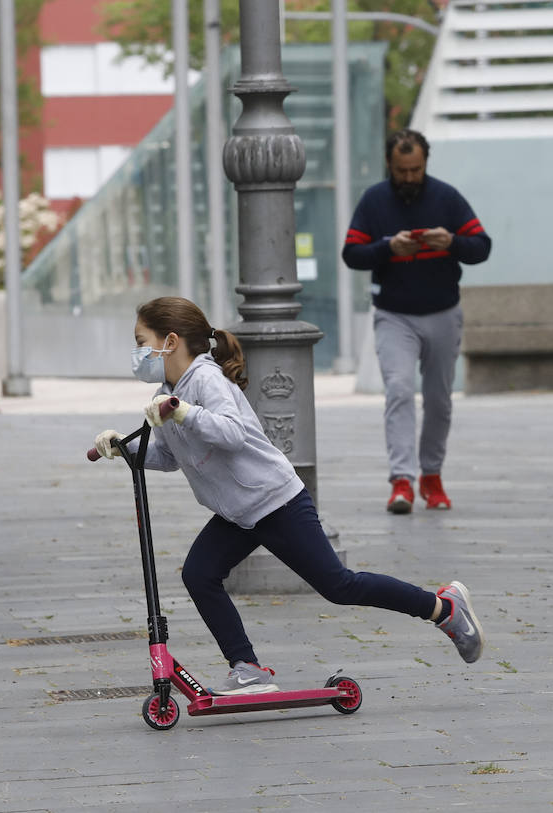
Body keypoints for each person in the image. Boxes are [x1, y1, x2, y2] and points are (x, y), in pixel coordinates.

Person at [91, 297, 485, 694]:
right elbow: (171, 455)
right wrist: (124, 450)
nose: (138, 353)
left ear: (170, 341)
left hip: (275, 500)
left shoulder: (206, 380)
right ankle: (247, 668)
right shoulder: (168, 391)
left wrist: (181, 412)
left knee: (340, 587)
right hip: (238, 512)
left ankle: (444, 608)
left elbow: (231, 433)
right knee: (200, 573)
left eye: (142, 341)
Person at [342, 129, 491, 513]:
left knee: (440, 400)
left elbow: (481, 247)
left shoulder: (447, 197)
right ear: (389, 166)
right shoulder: (375, 200)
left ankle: (432, 476)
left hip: (443, 312)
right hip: (395, 315)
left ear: (426, 163)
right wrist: (388, 247)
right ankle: (402, 481)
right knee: (400, 390)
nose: (409, 177)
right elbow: (352, 254)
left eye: (416, 169)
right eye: (401, 170)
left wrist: (452, 242)